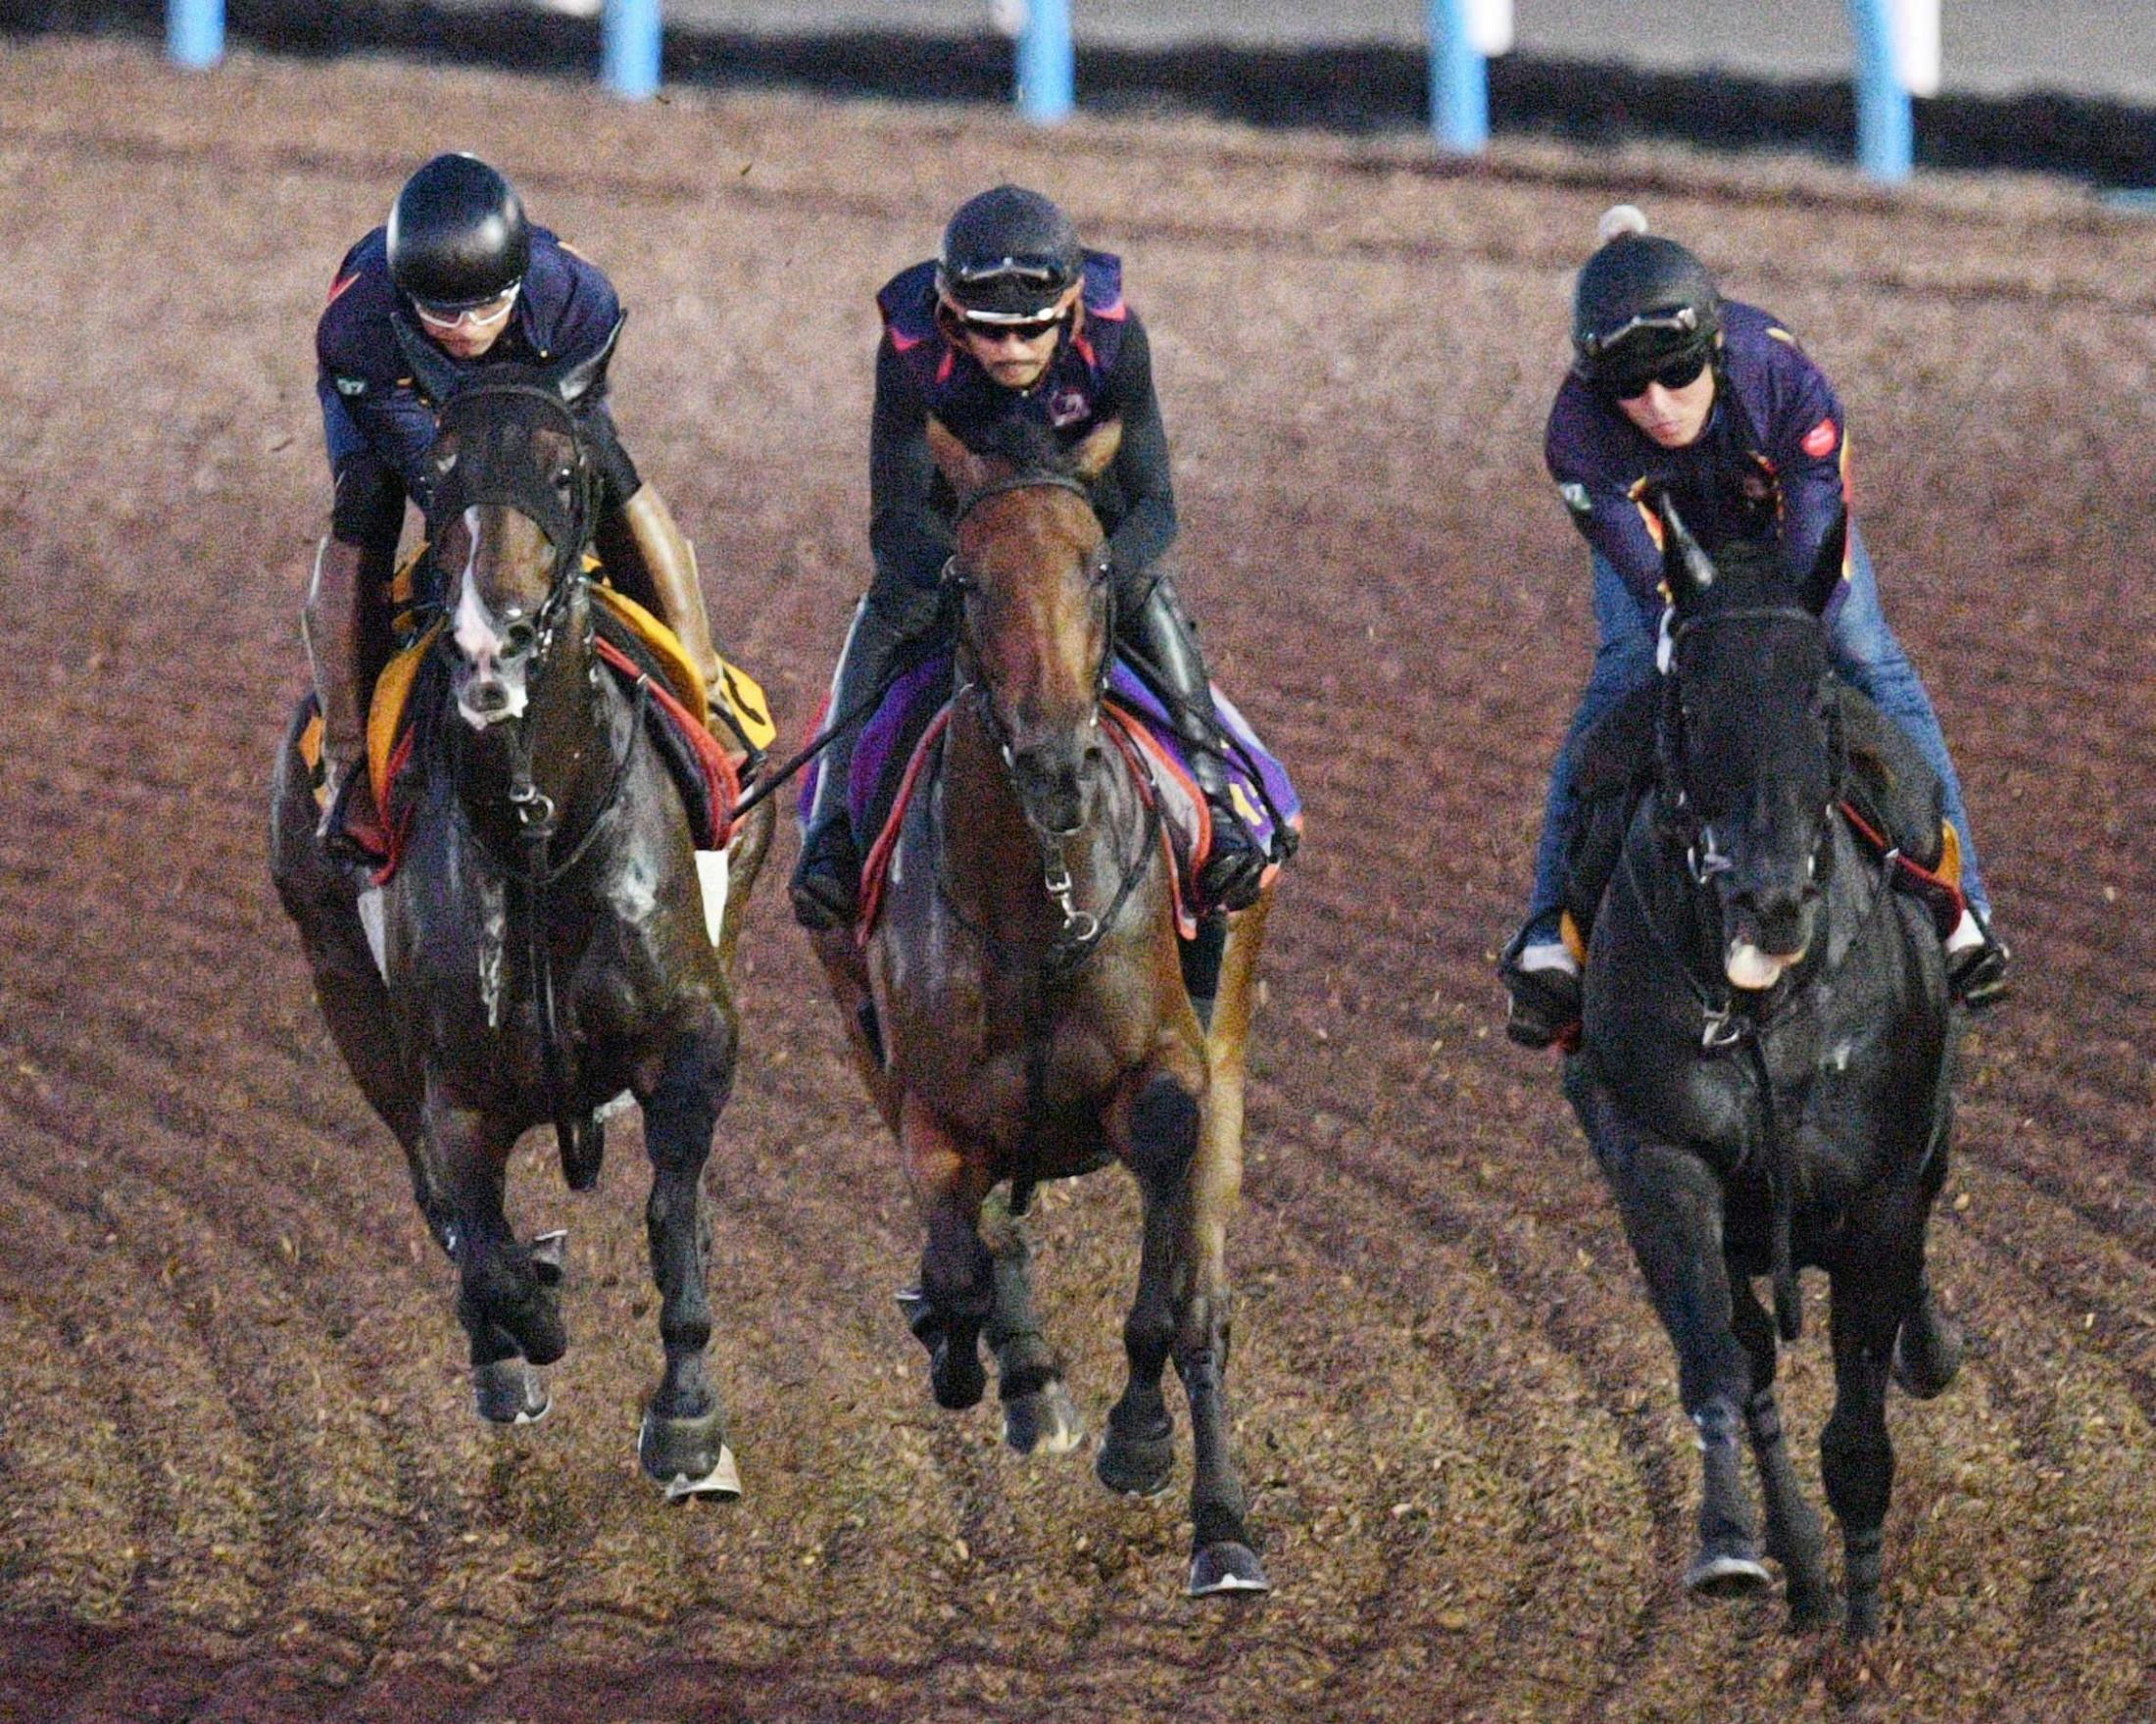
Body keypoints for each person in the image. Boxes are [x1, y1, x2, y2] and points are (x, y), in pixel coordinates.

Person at [1500, 206, 2010, 1049]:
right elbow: (1651, 577)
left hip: (1779, 521)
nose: (1657, 405)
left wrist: (1794, 635)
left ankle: (1966, 911)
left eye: (1676, 375)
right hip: (1664, 533)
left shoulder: (1788, 383)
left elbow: (1816, 543)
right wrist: (1681, 628)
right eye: (1631, 388)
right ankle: (1553, 930)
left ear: (1715, 353)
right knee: (1629, 667)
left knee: (1862, 656)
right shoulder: (1577, 437)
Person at [789, 183, 1271, 931]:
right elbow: (896, 516)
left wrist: (1095, 574)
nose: (1011, 351)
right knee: (883, 613)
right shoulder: (910, 355)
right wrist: (966, 577)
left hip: (1089, 542)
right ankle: (832, 839)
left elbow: (1156, 505)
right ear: (950, 315)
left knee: (1153, 598)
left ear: (1072, 306)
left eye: (1032, 331)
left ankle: (1214, 805)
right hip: (961, 551)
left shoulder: (1117, 340)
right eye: (988, 332)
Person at [305, 151, 726, 853]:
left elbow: (565, 446)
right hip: (399, 390)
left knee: (607, 469)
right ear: (407, 296)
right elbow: (446, 484)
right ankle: (347, 757)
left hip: (534, 378)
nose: (467, 327)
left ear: (521, 284)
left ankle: (705, 702)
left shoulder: (579, 302)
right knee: (367, 504)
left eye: (487, 306)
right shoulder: (358, 330)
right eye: (444, 312)